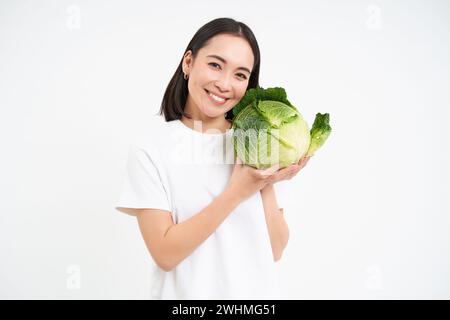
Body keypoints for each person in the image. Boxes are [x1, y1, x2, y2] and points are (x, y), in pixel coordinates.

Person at [115, 17, 311, 300]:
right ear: (188, 62)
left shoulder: (260, 142)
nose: (224, 84)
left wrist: (265, 180)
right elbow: (165, 254)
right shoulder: (151, 148)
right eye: (215, 65)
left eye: (240, 75)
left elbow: (275, 249)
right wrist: (236, 192)